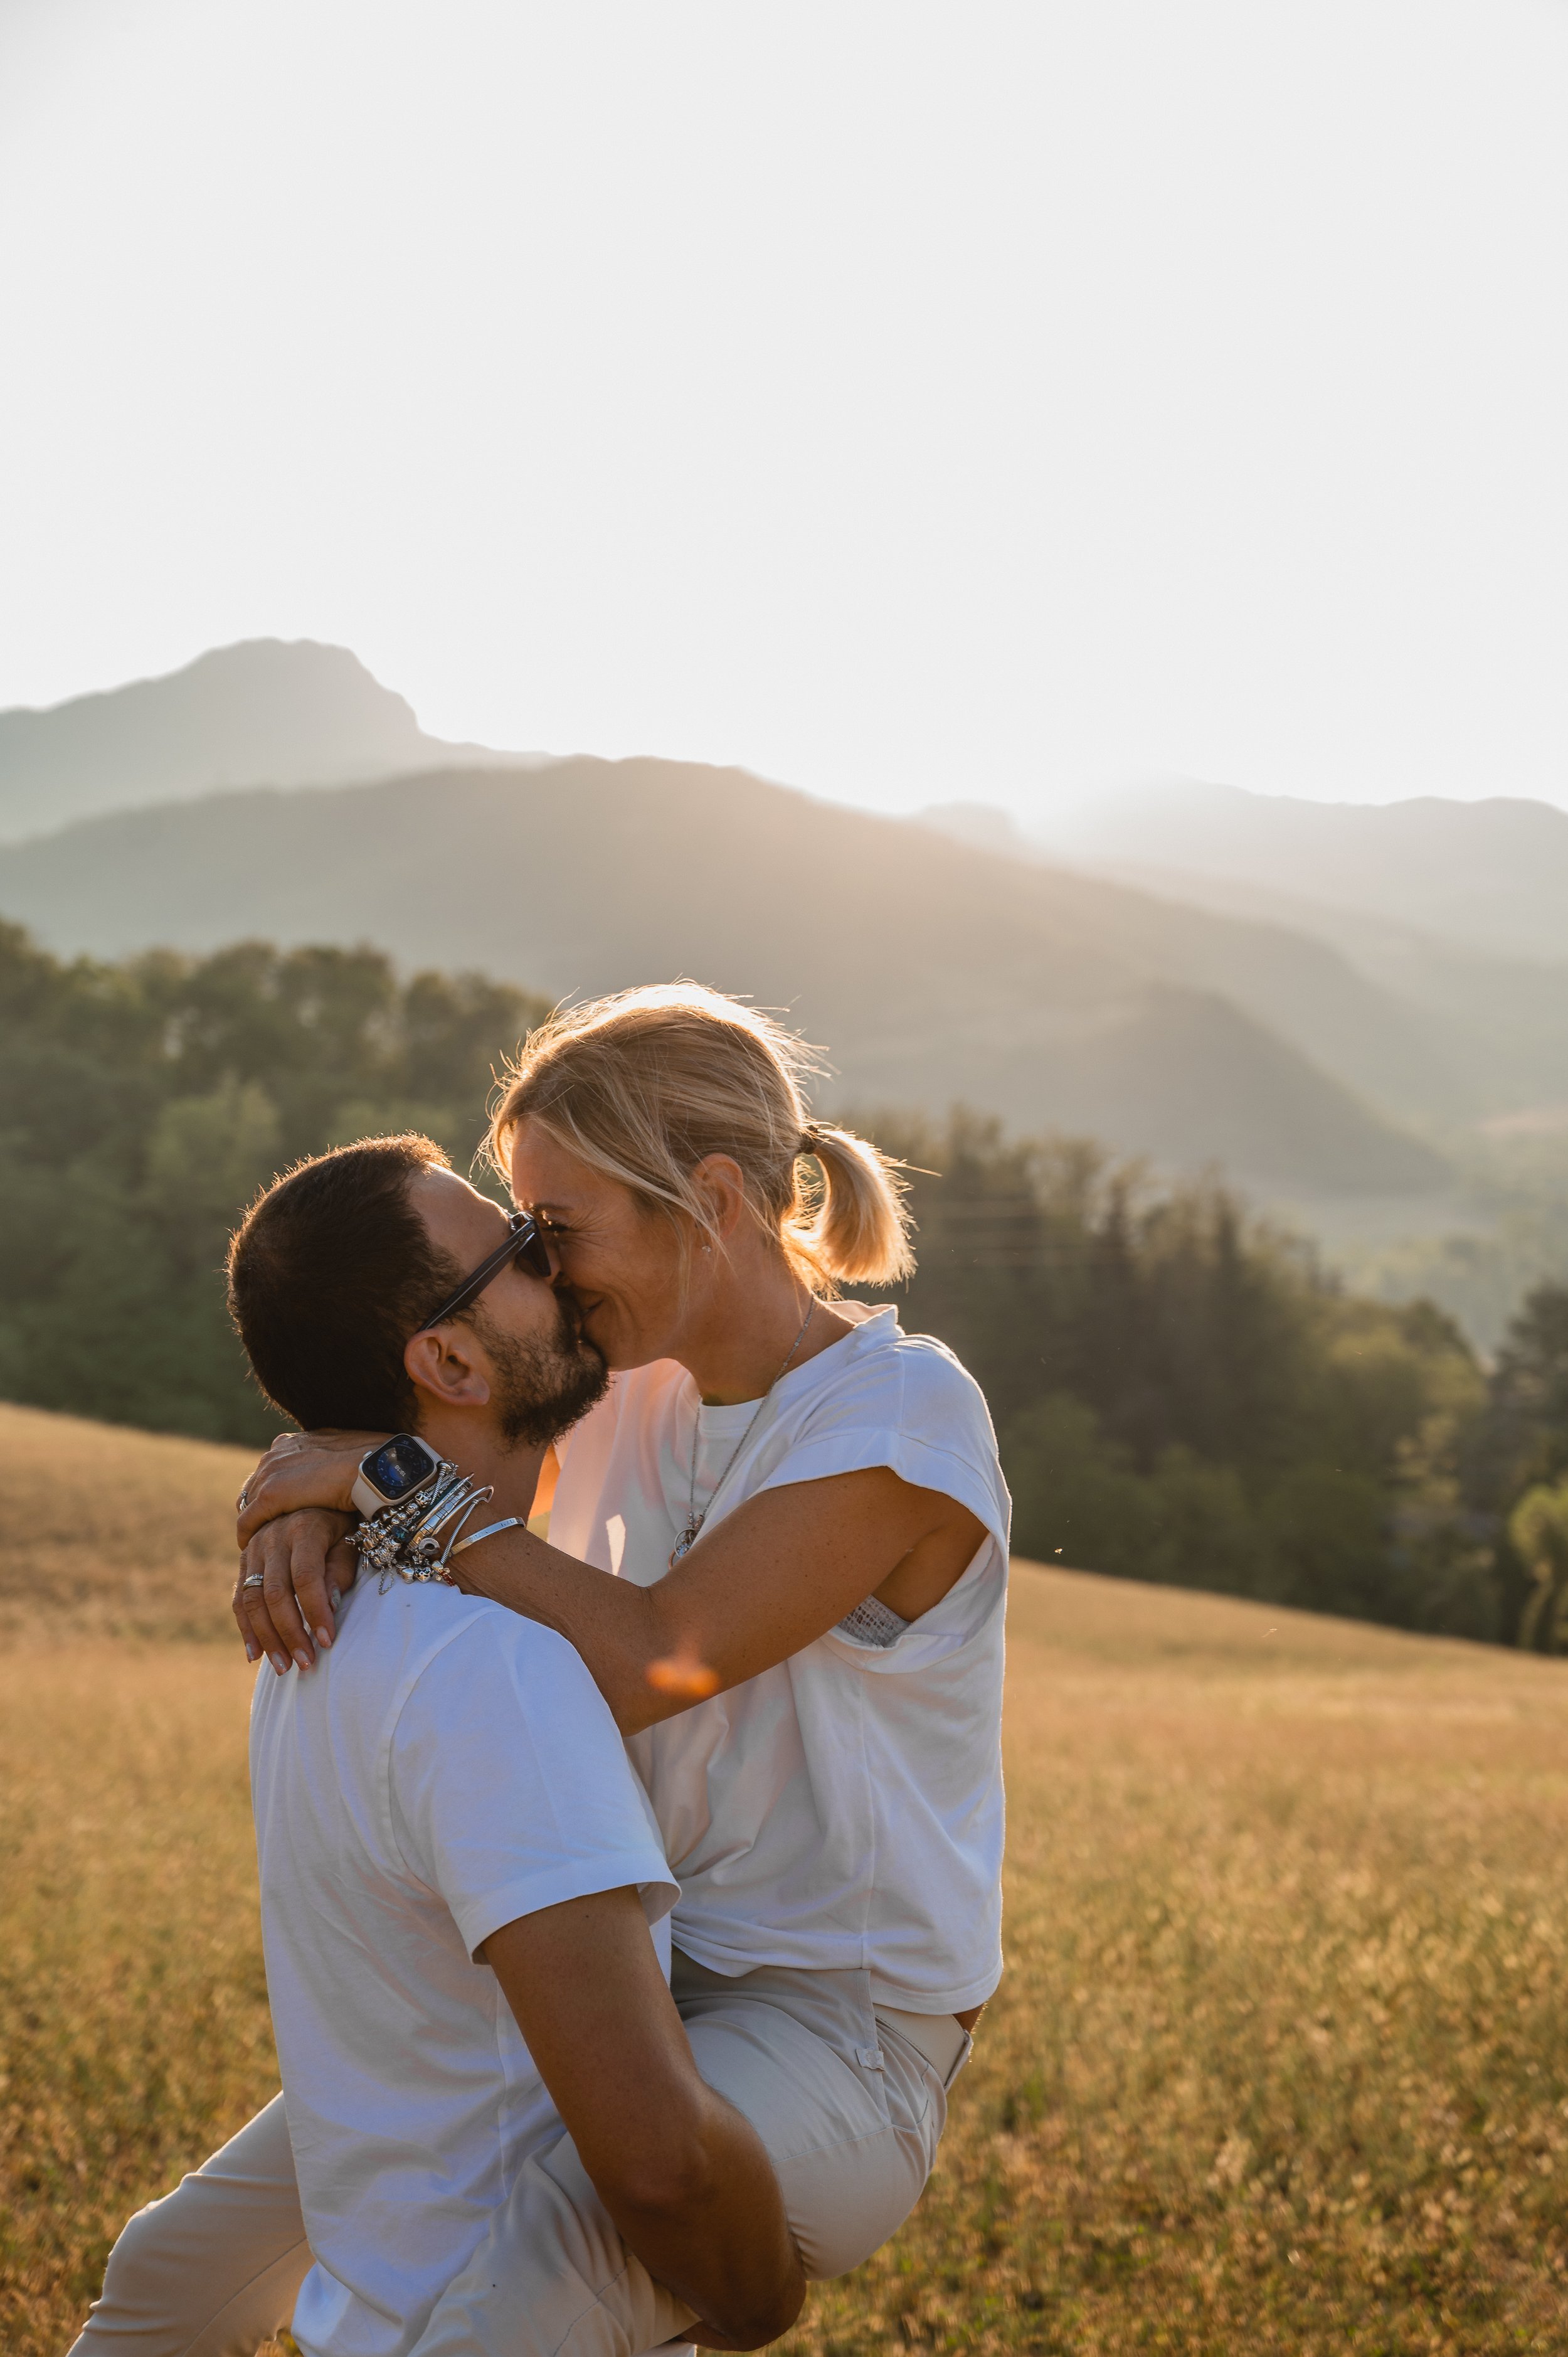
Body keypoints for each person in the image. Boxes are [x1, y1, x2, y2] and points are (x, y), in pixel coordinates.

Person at [126, 985, 1012, 2356]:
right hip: (621, 1970)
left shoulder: (901, 1419)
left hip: (828, 2031)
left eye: (558, 1227)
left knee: (516, 2293)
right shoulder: (628, 1381)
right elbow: (452, 1409)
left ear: (707, 1198)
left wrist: (385, 1484)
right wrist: (312, 1493)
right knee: (178, 2264)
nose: (545, 1264)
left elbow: (664, 1652)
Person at [71, 1132, 803, 2357]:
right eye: (521, 1250)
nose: (561, 1264)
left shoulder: (325, 1627)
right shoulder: (496, 1671)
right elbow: (661, 2163)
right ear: (451, 1357)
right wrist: (762, 2299)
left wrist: (368, 1488)